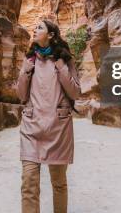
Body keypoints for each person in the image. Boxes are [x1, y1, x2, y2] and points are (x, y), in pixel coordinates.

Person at [16, 19, 81, 213]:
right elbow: (20, 95)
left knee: (59, 183)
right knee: (28, 182)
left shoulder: (65, 59)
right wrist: (26, 69)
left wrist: (61, 66)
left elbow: (75, 93)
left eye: (39, 28)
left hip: (58, 128)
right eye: (35, 27)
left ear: (51, 35)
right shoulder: (29, 60)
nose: (34, 30)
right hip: (31, 127)